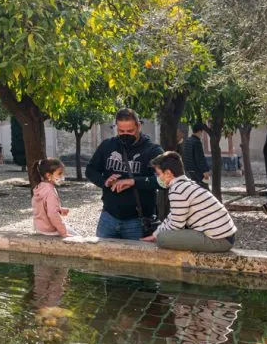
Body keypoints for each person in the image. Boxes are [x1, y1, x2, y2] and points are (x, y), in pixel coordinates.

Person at [85, 108, 163, 240]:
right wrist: (104, 181)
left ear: (139, 126)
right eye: (121, 131)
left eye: (130, 131)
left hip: (138, 222)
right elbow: (90, 170)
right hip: (108, 218)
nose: (125, 134)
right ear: (116, 127)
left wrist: (134, 182)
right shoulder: (107, 145)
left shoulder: (153, 150)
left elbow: (164, 181)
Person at [143, 151, 237, 252]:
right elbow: (173, 216)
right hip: (226, 237)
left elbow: (176, 224)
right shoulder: (186, 184)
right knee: (161, 235)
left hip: (218, 240)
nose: (158, 178)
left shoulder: (177, 190)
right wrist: (155, 234)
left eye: (158, 174)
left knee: (162, 239)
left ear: (168, 173)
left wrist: (158, 236)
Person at [32, 158, 80, 238]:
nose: (62, 176)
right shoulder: (50, 191)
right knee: (80, 239)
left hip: (39, 228)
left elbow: (42, 208)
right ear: (48, 175)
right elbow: (52, 214)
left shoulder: (39, 187)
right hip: (50, 229)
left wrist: (59, 209)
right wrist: (63, 232)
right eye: (59, 173)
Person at [182, 124, 211, 188]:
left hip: (188, 171)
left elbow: (185, 156)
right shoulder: (197, 142)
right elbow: (200, 158)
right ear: (200, 131)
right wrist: (205, 171)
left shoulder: (187, 141)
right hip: (197, 172)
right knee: (204, 190)